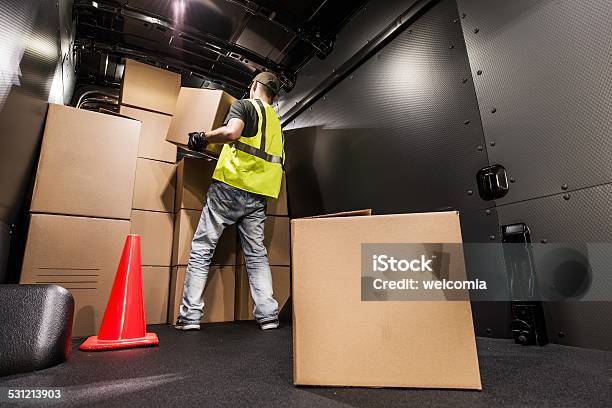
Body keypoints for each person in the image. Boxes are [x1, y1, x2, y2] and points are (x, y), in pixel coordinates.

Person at [174, 72, 285, 331]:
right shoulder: (278, 125)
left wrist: (202, 137)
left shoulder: (245, 104)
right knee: (257, 255)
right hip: (258, 195)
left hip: (230, 187)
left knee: (203, 247)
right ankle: (269, 316)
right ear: (275, 95)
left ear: (255, 85)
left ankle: (190, 317)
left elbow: (233, 133)